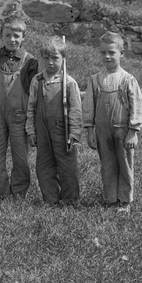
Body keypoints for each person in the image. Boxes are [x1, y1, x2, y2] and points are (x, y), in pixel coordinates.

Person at [82, 32, 142, 213]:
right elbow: (88, 106)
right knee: (108, 164)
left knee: (125, 165)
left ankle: (125, 200)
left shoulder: (128, 79)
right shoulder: (95, 80)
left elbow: (137, 106)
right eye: (103, 53)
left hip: (123, 130)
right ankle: (110, 199)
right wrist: (89, 131)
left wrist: (133, 131)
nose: (107, 56)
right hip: (102, 131)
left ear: (122, 53)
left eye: (111, 52)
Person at [0, 16, 39, 201]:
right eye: (7, 35)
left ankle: (19, 195)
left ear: (23, 37)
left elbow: (33, 91)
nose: (12, 39)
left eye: (16, 35)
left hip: (20, 116)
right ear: (1, 36)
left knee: (21, 159)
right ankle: (3, 194)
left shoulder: (30, 62)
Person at [26, 37, 83, 206]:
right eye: (46, 58)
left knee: (67, 166)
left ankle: (70, 199)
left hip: (62, 129)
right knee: (44, 165)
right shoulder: (37, 81)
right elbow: (31, 107)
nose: (50, 62)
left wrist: (74, 133)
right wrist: (31, 130)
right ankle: (50, 199)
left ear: (63, 58)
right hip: (42, 130)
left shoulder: (69, 83)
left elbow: (75, 110)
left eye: (55, 58)